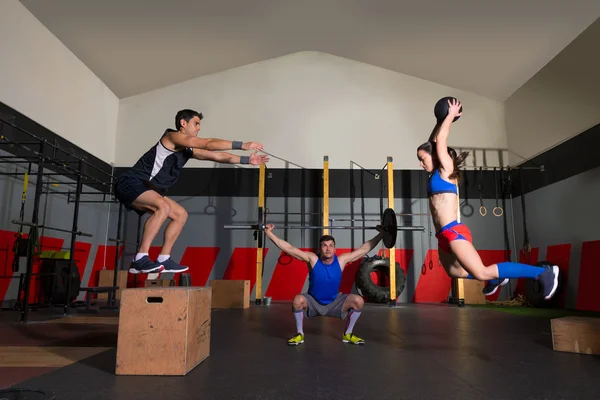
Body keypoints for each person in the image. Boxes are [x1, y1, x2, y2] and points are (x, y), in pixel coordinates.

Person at [416, 98, 559, 299]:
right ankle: (496, 278)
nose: (421, 164)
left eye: (422, 160)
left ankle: (542, 273)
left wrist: (449, 116)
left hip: (453, 232)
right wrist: (439, 122)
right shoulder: (433, 175)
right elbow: (434, 141)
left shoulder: (446, 170)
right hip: (442, 236)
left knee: (481, 271)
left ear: (437, 157)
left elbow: (440, 140)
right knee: (455, 272)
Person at [114, 109, 269, 274]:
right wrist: (242, 145)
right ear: (183, 123)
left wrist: (247, 160)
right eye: (196, 123)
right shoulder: (171, 137)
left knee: (180, 214)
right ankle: (140, 259)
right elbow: (207, 143)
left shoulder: (188, 150)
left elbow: (217, 156)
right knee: (163, 207)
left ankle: (164, 259)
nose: (198, 128)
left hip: (148, 188)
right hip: (130, 183)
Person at [264, 223, 386, 346]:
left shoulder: (341, 260)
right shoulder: (312, 259)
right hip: (313, 302)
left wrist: (381, 234)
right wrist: (269, 233)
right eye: (324, 246)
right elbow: (289, 248)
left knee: (358, 301)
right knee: (297, 300)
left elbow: (364, 249)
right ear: (320, 249)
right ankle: (299, 334)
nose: (328, 248)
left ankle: (348, 334)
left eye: (330, 246)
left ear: (334, 249)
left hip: (334, 303)